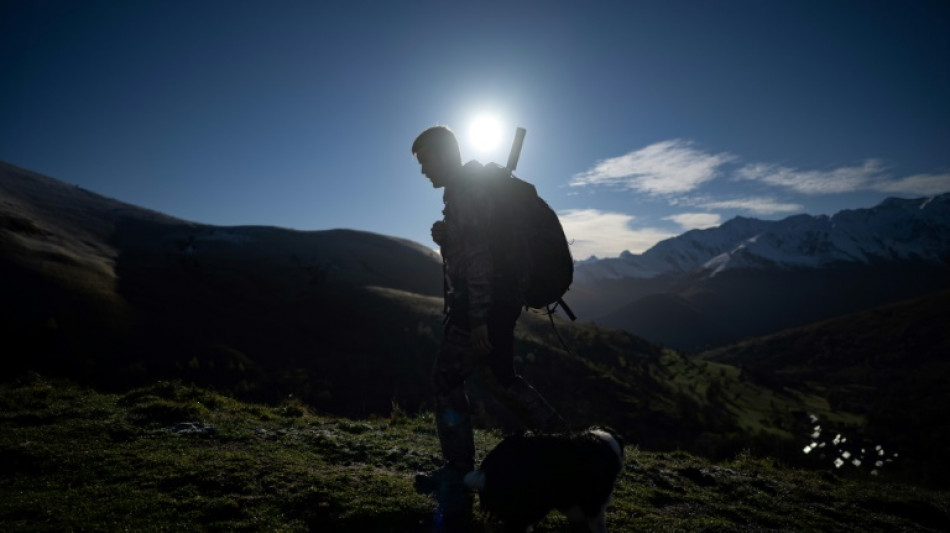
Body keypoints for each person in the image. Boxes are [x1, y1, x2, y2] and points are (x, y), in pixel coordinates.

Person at [411, 125, 565, 527]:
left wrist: (477, 318)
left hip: (482, 306)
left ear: (444, 154)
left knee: (447, 381)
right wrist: (448, 237)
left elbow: (479, 259)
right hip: (499, 302)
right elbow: (475, 248)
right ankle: (564, 447)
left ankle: (459, 477)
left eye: (426, 160)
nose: (424, 170)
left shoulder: (465, 191)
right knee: (499, 378)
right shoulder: (467, 189)